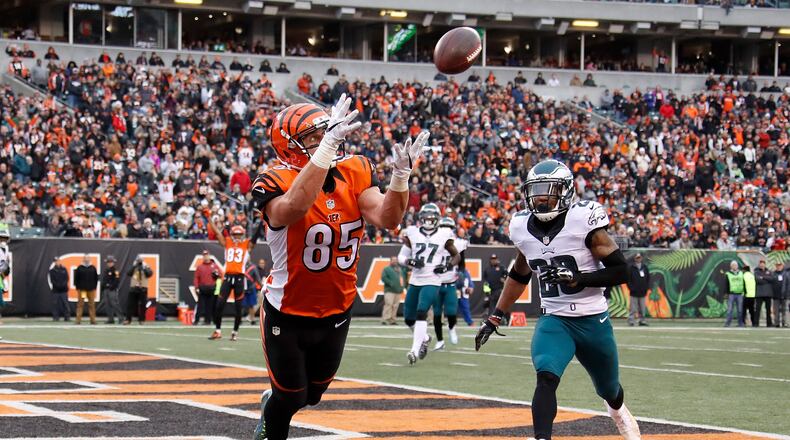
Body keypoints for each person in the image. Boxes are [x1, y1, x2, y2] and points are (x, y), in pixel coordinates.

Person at [249, 95, 427, 440]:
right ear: (289, 147)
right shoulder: (274, 179)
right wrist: (325, 149)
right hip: (286, 310)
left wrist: (401, 177)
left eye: (325, 132)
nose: (325, 138)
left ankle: (277, 401)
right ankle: (269, 422)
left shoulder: (355, 170)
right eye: (313, 136)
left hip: (337, 309)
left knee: (312, 396)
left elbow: (388, 218)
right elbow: (292, 209)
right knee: (290, 396)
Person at [475, 159, 640, 440]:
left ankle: (617, 410)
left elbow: (622, 271)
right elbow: (518, 275)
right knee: (546, 376)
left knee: (609, 389)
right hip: (555, 317)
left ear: (565, 191)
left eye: (547, 191)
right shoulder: (522, 227)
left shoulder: (583, 221)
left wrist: (580, 279)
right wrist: (496, 316)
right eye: (536, 191)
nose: (540, 198)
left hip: (592, 318)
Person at [398, 203, 460, 361]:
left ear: (437, 219)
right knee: (408, 318)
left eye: (432, 218)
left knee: (421, 311)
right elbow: (401, 257)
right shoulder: (412, 232)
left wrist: (446, 266)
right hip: (415, 279)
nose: (429, 220)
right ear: (421, 218)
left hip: (432, 279)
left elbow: (456, 256)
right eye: (426, 217)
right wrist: (410, 262)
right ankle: (425, 338)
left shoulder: (444, 234)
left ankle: (414, 350)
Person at [207, 221, 261, 342]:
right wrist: (209, 218)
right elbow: (217, 232)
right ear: (232, 234)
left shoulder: (246, 245)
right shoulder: (228, 242)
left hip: (239, 278)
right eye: (235, 234)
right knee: (219, 305)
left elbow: (255, 238)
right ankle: (218, 330)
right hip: (227, 277)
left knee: (238, 308)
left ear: (243, 235)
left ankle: (235, 332)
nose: (237, 237)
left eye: (239, 235)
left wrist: (262, 222)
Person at [433, 217, 466, 348]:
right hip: (435, 282)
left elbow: (462, 262)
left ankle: (452, 329)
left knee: (452, 312)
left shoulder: (459, 243)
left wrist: (462, 272)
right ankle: (440, 340)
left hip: (451, 282)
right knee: (436, 313)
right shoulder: (433, 241)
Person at [194, 250, 221, 325]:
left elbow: (220, 275)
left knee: (210, 306)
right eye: (204, 255)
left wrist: (217, 275)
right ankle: (196, 320)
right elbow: (196, 277)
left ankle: (208, 320)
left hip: (211, 287)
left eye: (207, 255)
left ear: (209, 256)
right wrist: (196, 287)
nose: (206, 257)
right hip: (203, 288)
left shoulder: (214, 266)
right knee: (200, 305)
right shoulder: (200, 267)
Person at [125, 256, 153, 325]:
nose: (139, 262)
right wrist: (134, 266)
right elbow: (128, 273)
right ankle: (128, 319)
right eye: (138, 260)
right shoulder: (133, 266)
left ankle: (142, 320)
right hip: (134, 288)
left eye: (140, 260)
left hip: (143, 288)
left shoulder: (146, 266)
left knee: (142, 305)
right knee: (130, 305)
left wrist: (144, 267)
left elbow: (150, 274)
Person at [73, 255, 99, 325]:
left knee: (92, 305)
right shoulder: (79, 268)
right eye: (85, 258)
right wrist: (78, 288)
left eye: (88, 258)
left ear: (90, 259)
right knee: (80, 304)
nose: (86, 259)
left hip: (91, 290)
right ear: (83, 259)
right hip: (82, 290)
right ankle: (78, 320)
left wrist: (94, 287)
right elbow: (76, 279)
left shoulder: (93, 268)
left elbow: (96, 278)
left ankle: (93, 320)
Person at [627, 253, 650, 326]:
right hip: (634, 292)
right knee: (633, 308)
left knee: (642, 308)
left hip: (642, 291)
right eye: (637, 257)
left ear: (641, 258)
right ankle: (631, 321)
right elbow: (628, 279)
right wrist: (631, 288)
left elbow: (648, 278)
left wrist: (646, 288)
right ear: (634, 258)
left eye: (639, 257)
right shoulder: (631, 267)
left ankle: (642, 320)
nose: (638, 259)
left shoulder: (644, 267)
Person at [380, 256, 403, 325]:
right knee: (389, 304)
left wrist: (402, 287)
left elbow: (401, 279)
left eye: (396, 260)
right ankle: (385, 319)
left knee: (395, 306)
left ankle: (393, 320)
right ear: (390, 261)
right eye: (393, 260)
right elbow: (383, 277)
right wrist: (391, 283)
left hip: (398, 290)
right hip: (389, 290)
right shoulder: (386, 269)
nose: (395, 261)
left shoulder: (399, 269)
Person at [244, 259, 267, 325]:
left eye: (263, 263)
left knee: (253, 304)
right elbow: (258, 279)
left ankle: (251, 317)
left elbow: (259, 279)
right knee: (251, 304)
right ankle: (249, 317)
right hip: (251, 288)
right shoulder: (254, 268)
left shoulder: (261, 270)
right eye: (261, 263)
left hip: (254, 289)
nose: (262, 264)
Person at [101, 256, 122, 324]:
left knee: (114, 304)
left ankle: (121, 318)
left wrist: (111, 286)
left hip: (112, 290)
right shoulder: (106, 270)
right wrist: (103, 287)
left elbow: (117, 280)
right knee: (107, 304)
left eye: (110, 262)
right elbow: (104, 280)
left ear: (113, 263)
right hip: (106, 290)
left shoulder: (115, 270)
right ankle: (110, 319)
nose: (109, 263)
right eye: (108, 262)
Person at [724, 260, 745, 327]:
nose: (734, 266)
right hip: (731, 294)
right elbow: (726, 284)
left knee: (740, 310)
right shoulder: (728, 273)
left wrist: (744, 292)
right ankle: (728, 323)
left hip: (740, 294)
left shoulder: (741, 273)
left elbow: (744, 283)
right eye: (733, 265)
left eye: (735, 265)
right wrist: (726, 293)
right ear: (731, 266)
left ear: (737, 266)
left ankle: (740, 323)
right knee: (729, 310)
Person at [48, 257, 70, 321]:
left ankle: (67, 317)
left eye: (58, 261)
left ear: (60, 261)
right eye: (56, 261)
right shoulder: (52, 271)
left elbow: (67, 278)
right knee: (55, 304)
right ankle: (55, 317)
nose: (57, 262)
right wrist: (57, 285)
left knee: (65, 304)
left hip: (64, 290)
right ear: (54, 262)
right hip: (55, 290)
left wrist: (63, 285)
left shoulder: (64, 269)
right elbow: (52, 280)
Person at [754, 259, 775, 327]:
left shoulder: (769, 271)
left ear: (765, 264)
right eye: (761, 263)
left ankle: (769, 323)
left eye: (763, 263)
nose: (762, 265)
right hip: (759, 294)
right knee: (757, 309)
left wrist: (763, 277)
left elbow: (772, 279)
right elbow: (757, 280)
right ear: (759, 264)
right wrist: (766, 279)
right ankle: (756, 323)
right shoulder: (756, 271)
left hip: (768, 294)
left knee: (768, 310)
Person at [772, 262, 786, 328]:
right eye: (777, 265)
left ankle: (784, 322)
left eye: (780, 265)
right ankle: (776, 323)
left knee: (784, 310)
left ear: (782, 266)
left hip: (785, 295)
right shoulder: (773, 274)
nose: (778, 267)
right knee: (776, 311)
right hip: (776, 295)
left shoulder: (786, 274)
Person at [779, 262, 790, 328]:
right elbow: (784, 285)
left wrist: (783, 294)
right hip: (788, 295)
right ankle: (787, 323)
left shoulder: (785, 273)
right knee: (786, 310)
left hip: (787, 295)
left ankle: (787, 323)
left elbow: (784, 285)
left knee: (786, 310)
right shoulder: (786, 273)